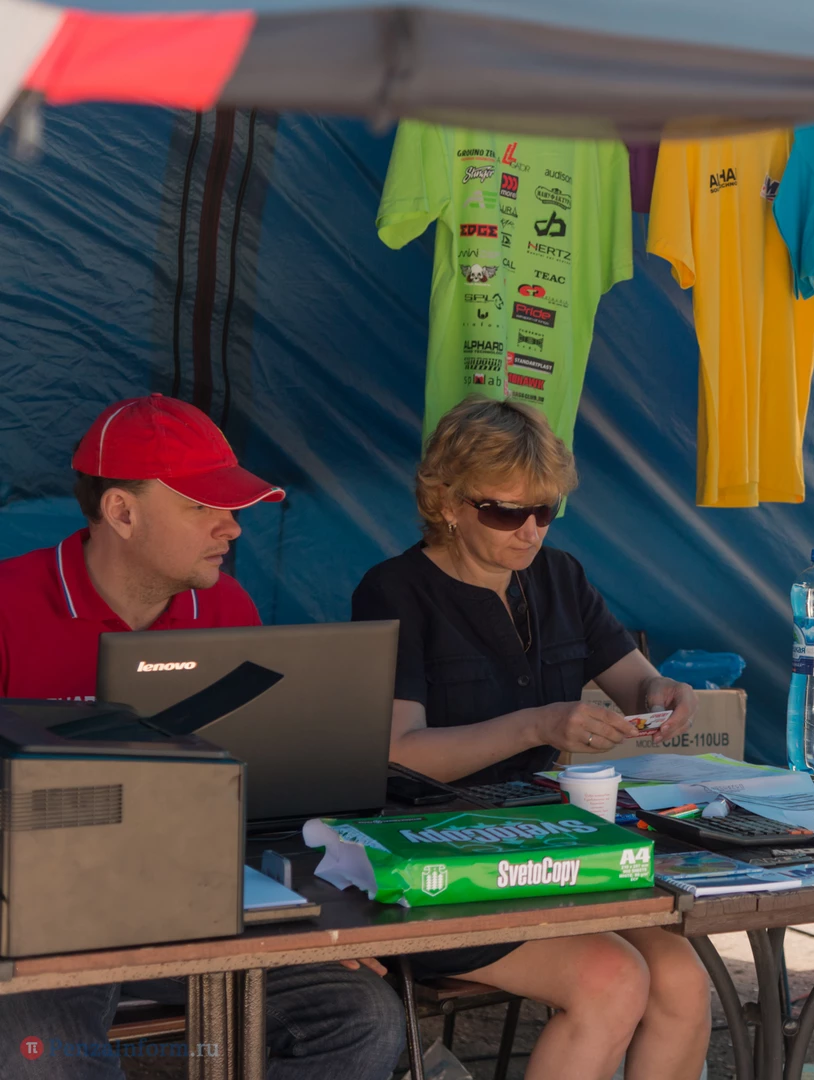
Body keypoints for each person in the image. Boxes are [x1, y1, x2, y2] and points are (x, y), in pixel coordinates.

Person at [0, 395, 406, 1079]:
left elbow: (262, 792)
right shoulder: (8, 604)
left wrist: (312, 919)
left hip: (201, 907)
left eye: (234, 507)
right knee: (37, 1053)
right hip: (44, 923)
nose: (233, 528)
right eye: (202, 507)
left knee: (363, 1017)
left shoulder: (225, 607)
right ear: (121, 512)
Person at [351, 397, 712, 1080]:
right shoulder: (394, 591)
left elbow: (635, 681)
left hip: (545, 843)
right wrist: (537, 724)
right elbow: (398, 752)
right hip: (433, 858)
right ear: (447, 503)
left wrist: (662, 692)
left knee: (683, 982)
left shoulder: (559, 576)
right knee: (613, 980)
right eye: (505, 512)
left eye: (545, 511)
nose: (529, 532)